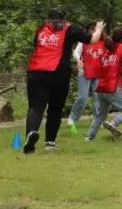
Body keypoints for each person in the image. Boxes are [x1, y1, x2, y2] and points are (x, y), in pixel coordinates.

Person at [23, 10, 104, 154]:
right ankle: (50, 142)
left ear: (49, 18)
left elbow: (36, 45)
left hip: (36, 72)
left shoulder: (41, 29)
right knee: (55, 108)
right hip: (58, 73)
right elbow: (92, 39)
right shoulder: (71, 28)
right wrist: (98, 29)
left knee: (35, 107)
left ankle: (31, 132)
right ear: (64, 18)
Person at [85, 28, 122, 142]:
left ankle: (89, 137)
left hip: (101, 88)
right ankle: (113, 123)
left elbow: (111, 66)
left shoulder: (106, 50)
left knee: (100, 116)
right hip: (112, 87)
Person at [68, 23, 106, 126]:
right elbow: (76, 52)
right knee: (82, 97)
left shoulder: (103, 42)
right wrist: (78, 60)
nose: (93, 31)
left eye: (95, 29)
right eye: (91, 29)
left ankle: (98, 119)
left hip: (98, 73)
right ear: (88, 30)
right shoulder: (84, 41)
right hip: (84, 72)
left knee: (98, 98)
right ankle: (73, 117)